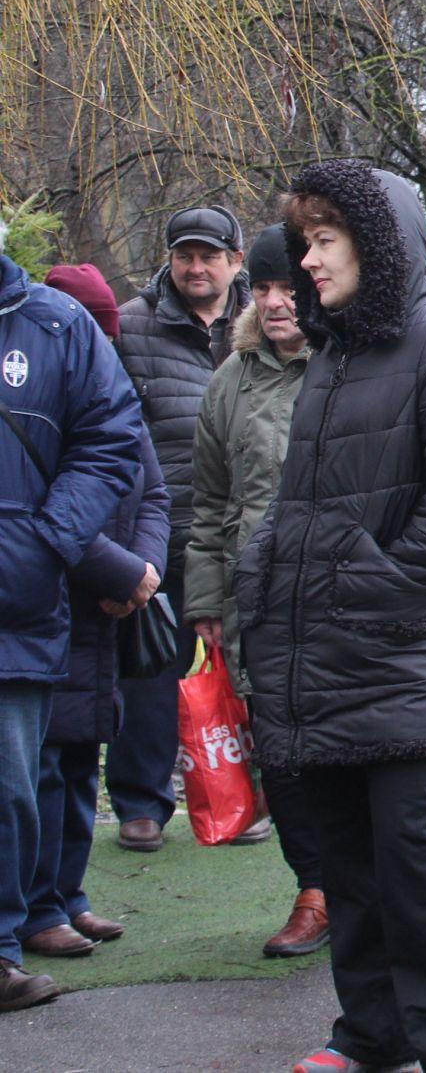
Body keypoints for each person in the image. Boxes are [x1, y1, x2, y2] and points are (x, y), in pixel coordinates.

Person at [238, 160, 426, 1073]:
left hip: (393, 662)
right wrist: (262, 578)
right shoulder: (335, 354)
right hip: (318, 661)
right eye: (303, 241)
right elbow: (306, 500)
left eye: (323, 241)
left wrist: (387, 588)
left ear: (377, 242)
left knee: (423, 876)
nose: (306, 263)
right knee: (350, 872)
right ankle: (372, 1033)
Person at [0, 243, 143, 1011]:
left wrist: (47, 536)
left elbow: (115, 435)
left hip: (13, 604)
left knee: (10, 790)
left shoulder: (56, 327)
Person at [184, 224, 326, 958]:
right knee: (282, 756)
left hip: (339, 601)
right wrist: (207, 603)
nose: (275, 303)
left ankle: (364, 885)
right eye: (264, 288)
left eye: (288, 287)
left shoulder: (348, 364)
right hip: (256, 603)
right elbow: (209, 503)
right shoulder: (231, 380)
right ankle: (314, 890)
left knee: (351, 750)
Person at [19, 266, 166, 964]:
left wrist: (146, 568)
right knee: (40, 766)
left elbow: (151, 489)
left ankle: (67, 894)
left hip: (107, 614)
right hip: (52, 599)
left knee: (81, 760)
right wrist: (118, 569)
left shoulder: (114, 395)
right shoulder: (41, 384)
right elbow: (51, 506)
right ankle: (36, 903)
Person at [110, 203, 251, 853]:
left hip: (247, 528)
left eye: (209, 255)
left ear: (235, 260)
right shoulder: (131, 327)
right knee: (150, 673)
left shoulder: (270, 320)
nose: (196, 267)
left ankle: (253, 796)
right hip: (165, 530)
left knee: (253, 670)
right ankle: (141, 802)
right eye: (185, 255)